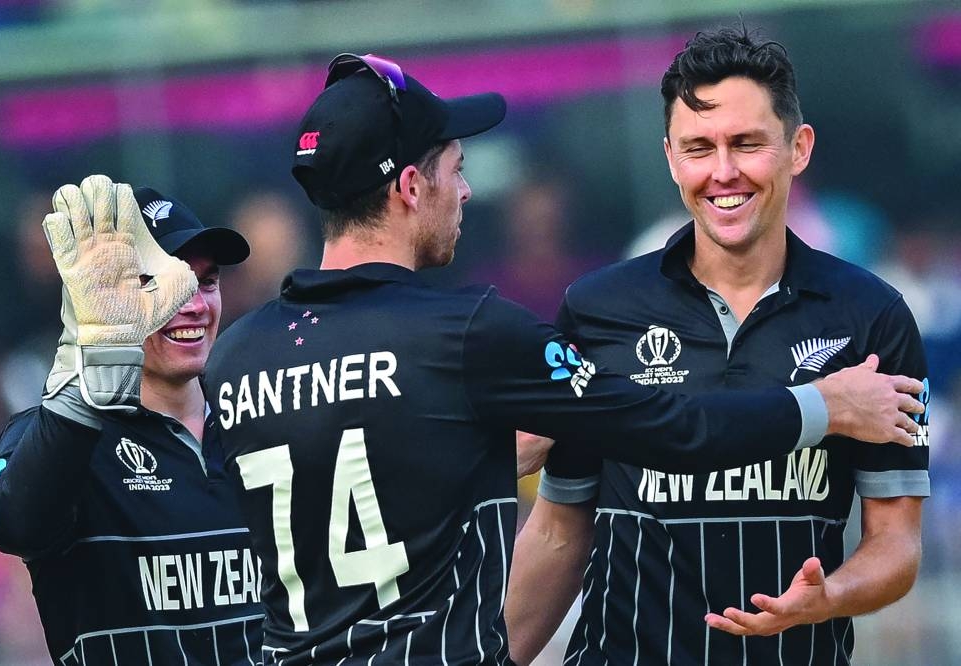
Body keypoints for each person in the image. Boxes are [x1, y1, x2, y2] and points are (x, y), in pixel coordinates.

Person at [202, 53, 924, 665]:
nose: (469, 189)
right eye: (456, 167)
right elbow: (670, 431)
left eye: (746, 142)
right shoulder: (473, 334)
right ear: (410, 187)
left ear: (797, 147)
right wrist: (823, 406)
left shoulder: (235, 356)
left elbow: (214, 538)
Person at [506, 26, 931, 666]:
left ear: (798, 148)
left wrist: (830, 596)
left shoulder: (873, 317)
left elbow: (897, 543)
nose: (723, 172)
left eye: (747, 144)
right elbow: (563, 528)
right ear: (672, 158)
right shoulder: (598, 311)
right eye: (698, 147)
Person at [0, 176, 263, 665]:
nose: (193, 304)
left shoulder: (262, 423)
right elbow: (15, 527)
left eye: (207, 280)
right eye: (153, 283)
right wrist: (96, 364)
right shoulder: (56, 437)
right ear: (99, 299)